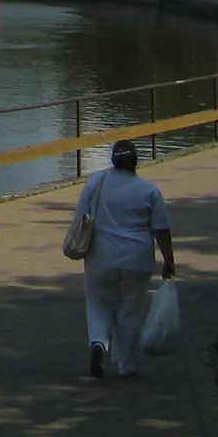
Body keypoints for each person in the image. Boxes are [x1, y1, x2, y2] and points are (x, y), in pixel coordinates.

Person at [70, 139, 174, 379]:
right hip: (137, 260)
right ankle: (125, 365)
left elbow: (80, 218)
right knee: (129, 311)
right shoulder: (149, 190)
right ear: (135, 161)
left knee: (98, 302)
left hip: (100, 257)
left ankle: (98, 342)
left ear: (113, 160)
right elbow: (161, 229)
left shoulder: (96, 183)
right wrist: (169, 261)